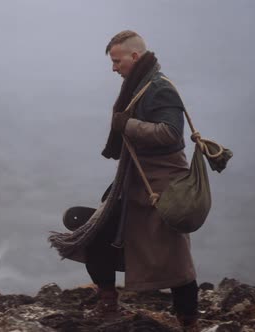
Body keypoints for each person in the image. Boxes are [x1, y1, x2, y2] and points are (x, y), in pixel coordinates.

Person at [85, 30, 200, 331]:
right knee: (94, 233)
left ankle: (188, 320)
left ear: (134, 57)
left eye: (116, 60)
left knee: (175, 257)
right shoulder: (140, 85)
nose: (113, 68)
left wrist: (128, 124)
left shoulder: (160, 89)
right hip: (134, 183)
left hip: (162, 186)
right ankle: (108, 303)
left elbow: (171, 134)